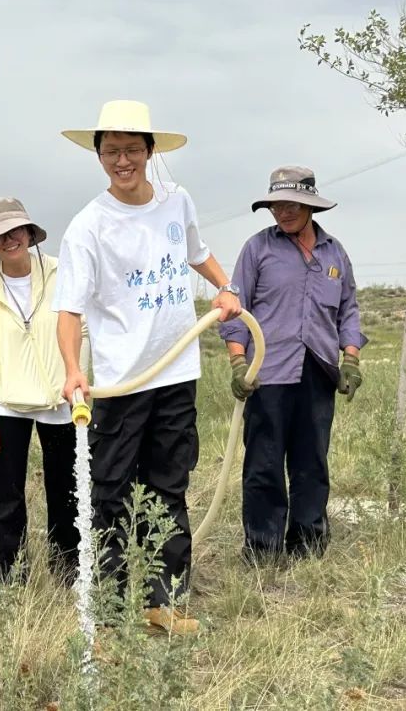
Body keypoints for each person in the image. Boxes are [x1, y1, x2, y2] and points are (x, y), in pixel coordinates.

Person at [53, 100, 242, 636]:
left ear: (150, 152)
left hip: (177, 374)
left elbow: (197, 252)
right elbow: (68, 310)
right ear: (98, 156)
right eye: (111, 150)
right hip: (119, 384)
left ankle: (165, 603)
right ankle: (110, 608)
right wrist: (73, 369)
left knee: (168, 485)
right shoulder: (88, 227)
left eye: (132, 149)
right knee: (111, 493)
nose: (122, 160)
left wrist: (223, 287)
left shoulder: (176, 202)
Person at [220, 166, 367, 563]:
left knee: (312, 462)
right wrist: (238, 363)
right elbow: (236, 310)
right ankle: (264, 550)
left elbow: (349, 310)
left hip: (318, 371)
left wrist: (350, 359)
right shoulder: (258, 249)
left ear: (309, 207)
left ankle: (308, 546)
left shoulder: (335, 253)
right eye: (276, 205)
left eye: (291, 205)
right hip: (267, 374)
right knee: (263, 463)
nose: (282, 212)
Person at [0, 197, 82, 584]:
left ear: (30, 233)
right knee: (7, 496)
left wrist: (80, 380)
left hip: (60, 400)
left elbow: (81, 330)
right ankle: (8, 575)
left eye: (15, 230)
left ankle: (69, 568)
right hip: (8, 404)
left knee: (66, 490)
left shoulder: (59, 272)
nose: (9, 239)